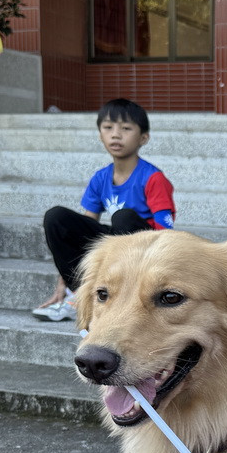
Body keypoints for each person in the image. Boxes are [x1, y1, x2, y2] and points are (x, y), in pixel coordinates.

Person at [31, 98, 175, 321]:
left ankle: (115, 295)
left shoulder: (153, 178)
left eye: (126, 129)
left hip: (146, 253)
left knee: (123, 217)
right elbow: (85, 236)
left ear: (143, 138)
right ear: (100, 135)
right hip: (117, 245)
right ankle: (79, 293)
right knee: (57, 217)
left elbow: (166, 235)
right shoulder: (100, 178)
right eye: (108, 128)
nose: (116, 135)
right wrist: (64, 280)